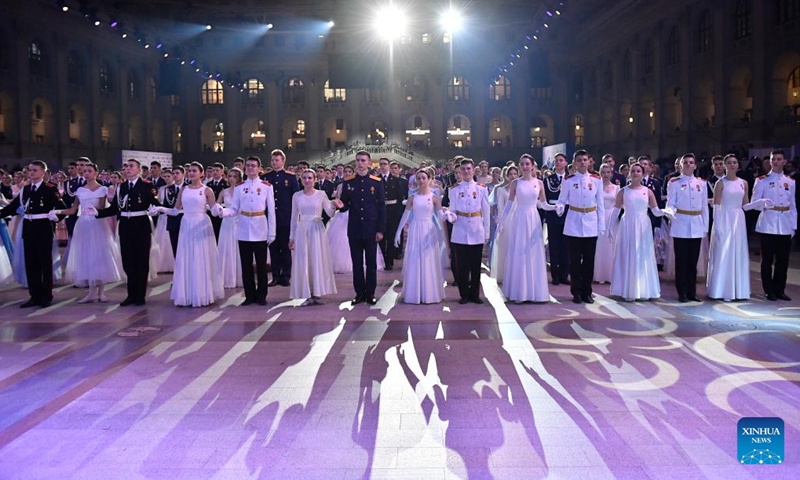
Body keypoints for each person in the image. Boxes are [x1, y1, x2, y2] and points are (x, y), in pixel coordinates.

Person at [91, 158, 161, 306]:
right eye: (125, 166)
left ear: (139, 170)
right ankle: (131, 294)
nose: (127, 169)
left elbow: (156, 205)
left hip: (141, 225)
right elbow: (115, 208)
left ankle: (140, 295)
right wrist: (97, 212)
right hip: (125, 226)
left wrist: (156, 211)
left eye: (131, 166)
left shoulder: (147, 186)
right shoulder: (121, 187)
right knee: (128, 261)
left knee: (141, 261)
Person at [52, 163, 124, 303]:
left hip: (97, 223)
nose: (86, 173)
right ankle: (91, 291)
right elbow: (73, 210)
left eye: (89, 171)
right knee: (86, 255)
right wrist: (57, 212)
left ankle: (102, 291)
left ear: (96, 173)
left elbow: (102, 208)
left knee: (100, 255)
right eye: (84, 171)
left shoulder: (102, 189)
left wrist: (95, 210)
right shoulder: (79, 190)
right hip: (83, 224)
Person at [0, 160, 67, 308]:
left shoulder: (50, 188)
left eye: (35, 170)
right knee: (31, 264)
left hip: (43, 229)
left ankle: (46, 296)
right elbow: (12, 207)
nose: (31, 172)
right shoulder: (25, 189)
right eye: (30, 170)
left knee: (45, 264)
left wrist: (56, 217)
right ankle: (34, 296)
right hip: (28, 229)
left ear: (43, 172)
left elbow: (62, 208)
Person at [216, 156, 276, 305]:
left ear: (259, 168)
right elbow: (234, 209)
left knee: (261, 265)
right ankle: (249, 296)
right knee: (246, 265)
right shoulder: (239, 187)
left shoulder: (266, 186)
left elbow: (271, 212)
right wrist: (223, 212)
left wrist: (272, 232)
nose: (250, 168)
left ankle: (261, 295)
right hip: (243, 228)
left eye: (253, 166)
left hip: (260, 226)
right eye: (248, 166)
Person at [165, 162, 224, 307]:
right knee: (186, 257)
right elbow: (175, 210)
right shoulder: (183, 189)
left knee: (200, 257)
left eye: (194, 171)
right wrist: (160, 209)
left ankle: (202, 293)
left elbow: (214, 209)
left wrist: (223, 210)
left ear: (202, 173)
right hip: (186, 224)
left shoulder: (207, 190)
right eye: (189, 171)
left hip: (202, 224)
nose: (191, 173)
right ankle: (186, 293)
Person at [498, 154, 554, 303]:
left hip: (533, 218)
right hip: (520, 218)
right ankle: (519, 292)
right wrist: (501, 222)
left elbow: (543, 204)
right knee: (520, 252)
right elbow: (509, 204)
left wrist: (555, 207)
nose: (524, 166)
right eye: (522, 164)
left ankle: (535, 291)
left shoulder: (539, 183)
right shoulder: (515, 183)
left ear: (532, 165)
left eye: (527, 164)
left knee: (534, 252)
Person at [707, 154, 763, 301]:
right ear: (724, 165)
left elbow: (745, 205)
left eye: (735, 162)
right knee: (724, 253)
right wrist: (718, 225)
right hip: (724, 218)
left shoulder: (743, 183)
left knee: (737, 252)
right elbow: (716, 206)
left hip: (738, 219)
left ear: (738, 165)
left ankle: (739, 290)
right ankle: (722, 290)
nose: (732, 165)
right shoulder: (720, 183)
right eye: (729, 163)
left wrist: (759, 203)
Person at [334, 151, 386, 305]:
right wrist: (340, 206)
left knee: (371, 264)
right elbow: (345, 206)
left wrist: (380, 230)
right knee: (356, 263)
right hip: (355, 228)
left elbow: (381, 207)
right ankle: (359, 293)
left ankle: (370, 293)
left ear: (369, 163)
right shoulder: (349, 182)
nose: (360, 163)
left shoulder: (376, 182)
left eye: (363, 160)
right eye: (358, 161)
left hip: (371, 228)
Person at [608, 163, 663, 301]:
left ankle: (643, 289)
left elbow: (655, 210)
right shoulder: (623, 191)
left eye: (638, 171)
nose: (635, 173)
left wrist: (666, 212)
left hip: (643, 225)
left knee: (643, 255)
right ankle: (627, 289)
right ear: (629, 173)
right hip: (627, 225)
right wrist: (610, 226)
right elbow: (616, 210)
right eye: (633, 171)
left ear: (643, 173)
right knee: (628, 254)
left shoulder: (647, 191)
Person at [555, 150, 605, 304]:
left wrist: (601, 226)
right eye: (579, 160)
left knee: (589, 261)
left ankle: (587, 291)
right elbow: (562, 199)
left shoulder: (596, 180)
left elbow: (601, 205)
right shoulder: (569, 180)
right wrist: (559, 206)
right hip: (574, 223)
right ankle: (576, 291)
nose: (583, 163)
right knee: (575, 261)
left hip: (590, 223)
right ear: (575, 163)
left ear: (589, 162)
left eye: (585, 160)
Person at [393, 168, 446, 304]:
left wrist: (449, 215)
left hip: (429, 230)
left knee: (429, 260)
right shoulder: (412, 198)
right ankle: (414, 293)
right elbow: (405, 215)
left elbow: (441, 216)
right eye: (419, 178)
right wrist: (398, 232)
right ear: (416, 180)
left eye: (424, 178)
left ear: (428, 179)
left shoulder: (434, 198)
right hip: (415, 229)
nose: (421, 180)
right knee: (415, 259)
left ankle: (430, 293)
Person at [750, 149, 797, 301]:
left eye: (779, 159)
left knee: (783, 261)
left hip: (784, 224)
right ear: (770, 162)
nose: (776, 162)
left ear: (784, 161)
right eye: (773, 159)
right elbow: (754, 204)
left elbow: (793, 206)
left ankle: (780, 290)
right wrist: (762, 203)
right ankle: (768, 290)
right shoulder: (762, 180)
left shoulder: (790, 181)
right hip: (768, 223)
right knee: (767, 260)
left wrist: (793, 226)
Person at [664, 153, 709, 303]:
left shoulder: (701, 183)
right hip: (681, 223)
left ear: (695, 166)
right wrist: (670, 213)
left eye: (691, 162)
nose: (688, 165)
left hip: (696, 223)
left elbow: (704, 207)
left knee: (692, 262)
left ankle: (692, 292)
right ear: (681, 166)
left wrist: (705, 227)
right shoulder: (674, 182)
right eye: (686, 162)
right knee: (681, 262)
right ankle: (681, 292)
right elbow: (671, 202)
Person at [444, 158, 490, 304]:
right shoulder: (454, 189)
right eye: (463, 169)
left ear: (473, 169)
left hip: (476, 228)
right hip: (460, 229)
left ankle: (475, 294)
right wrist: (449, 216)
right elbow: (453, 210)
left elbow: (486, 211)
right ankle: (464, 294)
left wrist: (487, 232)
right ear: (460, 171)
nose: (466, 171)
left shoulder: (481, 188)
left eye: (469, 169)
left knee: (476, 265)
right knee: (462, 265)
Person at [289, 170, 337, 305]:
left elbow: (330, 213)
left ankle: (317, 292)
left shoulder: (321, 194)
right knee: (304, 261)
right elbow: (293, 218)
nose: (307, 180)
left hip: (317, 230)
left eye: (310, 178)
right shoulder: (296, 196)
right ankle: (307, 293)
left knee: (316, 259)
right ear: (301, 179)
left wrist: (334, 205)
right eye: (304, 178)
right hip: (302, 230)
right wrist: (291, 236)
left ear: (315, 179)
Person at [262, 149, 299, 287]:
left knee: (285, 248)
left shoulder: (290, 177)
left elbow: (295, 198)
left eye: (277, 160)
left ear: (283, 161)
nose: (274, 162)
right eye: (272, 160)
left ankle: (286, 276)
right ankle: (276, 275)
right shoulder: (265, 177)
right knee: (273, 248)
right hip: (270, 218)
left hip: (285, 217)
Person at [544, 153, 570, 285]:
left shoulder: (571, 179)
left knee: (566, 247)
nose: (558, 163)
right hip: (553, 216)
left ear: (566, 163)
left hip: (568, 216)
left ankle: (564, 275)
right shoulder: (549, 180)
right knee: (554, 246)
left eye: (561, 160)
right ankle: (555, 275)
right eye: (556, 161)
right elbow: (545, 198)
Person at [488, 165, 518, 282]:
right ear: (507, 176)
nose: (512, 176)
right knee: (505, 246)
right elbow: (500, 207)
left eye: (515, 174)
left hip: (518, 219)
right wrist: (500, 222)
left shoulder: (520, 188)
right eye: (510, 174)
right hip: (506, 220)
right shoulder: (501, 190)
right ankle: (504, 272)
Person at [379, 159, 408, 271]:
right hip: (380, 211)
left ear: (389, 166)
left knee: (391, 238)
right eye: (381, 164)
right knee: (381, 237)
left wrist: (399, 213)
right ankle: (383, 260)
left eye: (385, 164)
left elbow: (400, 197)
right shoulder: (376, 180)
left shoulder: (396, 180)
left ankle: (389, 261)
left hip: (393, 211)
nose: (382, 166)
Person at [217, 168, 243, 288]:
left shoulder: (243, 190)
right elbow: (216, 206)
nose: (232, 179)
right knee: (226, 249)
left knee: (239, 250)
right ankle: (227, 278)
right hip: (227, 223)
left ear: (239, 178)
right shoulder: (224, 192)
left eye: (235, 176)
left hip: (240, 222)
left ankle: (240, 277)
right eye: (230, 176)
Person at [594, 164, 619, 284]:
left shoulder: (617, 188)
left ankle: (611, 274)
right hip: (598, 217)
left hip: (612, 218)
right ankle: (599, 274)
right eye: (603, 172)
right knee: (599, 246)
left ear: (611, 173)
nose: (606, 174)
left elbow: (620, 205)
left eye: (608, 172)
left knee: (611, 246)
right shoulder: (596, 187)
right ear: (600, 173)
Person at [152, 169, 175, 273]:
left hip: (172, 215)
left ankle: (173, 264)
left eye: (168, 176)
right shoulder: (162, 188)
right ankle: (161, 264)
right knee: (161, 239)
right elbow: (159, 201)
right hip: (163, 216)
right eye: (164, 177)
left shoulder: (177, 188)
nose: (166, 178)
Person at [165, 166, 184, 258]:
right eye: (173, 173)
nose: (175, 175)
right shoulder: (168, 189)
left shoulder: (188, 187)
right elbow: (166, 205)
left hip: (184, 219)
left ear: (183, 174)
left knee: (185, 246)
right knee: (175, 246)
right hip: (172, 220)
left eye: (177, 173)